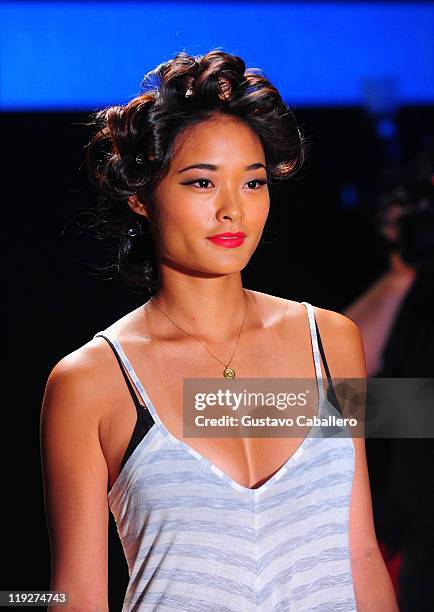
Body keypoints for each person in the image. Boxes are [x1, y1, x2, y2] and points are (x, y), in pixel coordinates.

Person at [40, 50, 398, 611]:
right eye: (202, 183)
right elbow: (74, 595)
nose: (233, 209)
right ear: (140, 196)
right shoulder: (90, 382)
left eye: (253, 184)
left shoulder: (331, 340)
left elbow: (358, 555)